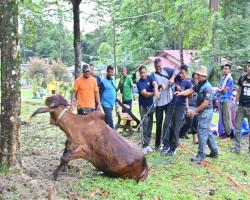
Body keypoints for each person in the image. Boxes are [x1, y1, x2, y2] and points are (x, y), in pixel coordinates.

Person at [175, 66, 218, 164]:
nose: (197, 76)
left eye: (198, 75)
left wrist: (194, 111)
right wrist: (181, 93)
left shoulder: (207, 87)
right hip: (203, 111)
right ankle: (214, 151)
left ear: (203, 76)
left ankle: (200, 156)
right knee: (207, 131)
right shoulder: (199, 84)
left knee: (202, 132)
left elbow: (205, 103)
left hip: (206, 111)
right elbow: (190, 90)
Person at [162, 65, 192, 156]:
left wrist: (181, 90)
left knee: (176, 127)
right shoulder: (177, 78)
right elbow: (170, 69)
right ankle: (165, 145)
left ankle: (173, 148)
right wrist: (174, 76)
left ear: (186, 73)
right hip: (171, 104)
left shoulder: (188, 83)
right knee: (166, 124)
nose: (181, 74)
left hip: (180, 107)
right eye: (180, 72)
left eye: (183, 73)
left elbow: (189, 96)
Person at [152, 58, 178, 151]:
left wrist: (172, 78)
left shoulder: (167, 70)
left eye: (159, 66)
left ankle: (167, 143)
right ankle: (157, 144)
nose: (158, 68)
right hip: (159, 103)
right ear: (154, 66)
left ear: (161, 65)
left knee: (168, 123)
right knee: (158, 124)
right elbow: (153, 85)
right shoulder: (153, 75)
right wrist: (159, 86)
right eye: (156, 66)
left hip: (168, 101)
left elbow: (176, 70)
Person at [136, 66, 160, 154]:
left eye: (144, 72)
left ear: (146, 72)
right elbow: (145, 94)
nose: (143, 74)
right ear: (139, 73)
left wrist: (156, 90)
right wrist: (155, 93)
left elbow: (155, 84)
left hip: (150, 105)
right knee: (144, 123)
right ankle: (143, 145)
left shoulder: (150, 77)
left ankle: (147, 144)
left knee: (150, 124)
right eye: (141, 73)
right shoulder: (139, 83)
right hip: (143, 105)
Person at [232, 60, 250, 154]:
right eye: (248, 66)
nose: (249, 68)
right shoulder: (242, 78)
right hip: (241, 106)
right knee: (238, 128)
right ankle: (237, 148)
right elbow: (239, 91)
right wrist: (235, 103)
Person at [179, 72, 199, 144]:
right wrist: (187, 108)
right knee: (190, 118)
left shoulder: (199, 86)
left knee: (195, 118)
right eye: (195, 78)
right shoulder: (189, 85)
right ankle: (181, 133)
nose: (197, 79)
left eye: (198, 78)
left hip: (195, 107)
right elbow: (186, 97)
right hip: (188, 105)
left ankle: (194, 139)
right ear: (192, 78)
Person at [218, 64, 234, 138]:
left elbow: (224, 90)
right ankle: (226, 132)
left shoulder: (229, 79)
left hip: (227, 99)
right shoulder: (223, 78)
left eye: (226, 69)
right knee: (223, 117)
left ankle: (229, 133)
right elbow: (221, 88)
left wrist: (220, 89)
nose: (224, 70)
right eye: (224, 68)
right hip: (222, 99)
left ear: (229, 70)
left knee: (226, 117)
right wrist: (221, 89)